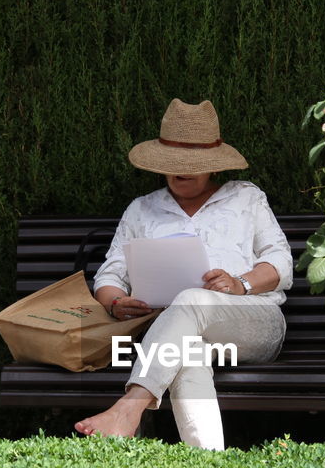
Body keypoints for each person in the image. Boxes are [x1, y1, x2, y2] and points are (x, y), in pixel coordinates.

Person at [74, 99, 293, 449]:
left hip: (252, 322)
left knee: (191, 299)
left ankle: (128, 410)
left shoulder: (246, 198)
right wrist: (116, 303)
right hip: (174, 331)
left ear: (213, 167)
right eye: (174, 163)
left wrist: (241, 283)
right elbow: (109, 275)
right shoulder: (142, 209)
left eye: (194, 164)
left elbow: (281, 262)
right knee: (186, 354)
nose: (183, 171)